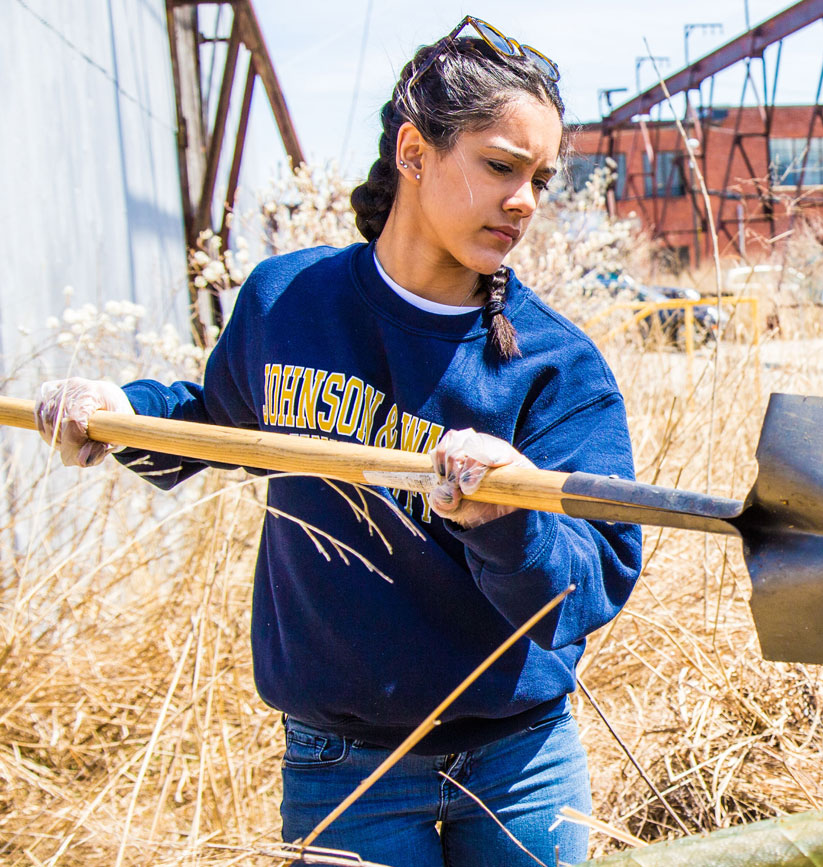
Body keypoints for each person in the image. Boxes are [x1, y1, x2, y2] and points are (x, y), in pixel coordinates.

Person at [34, 18, 641, 867]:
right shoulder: (290, 303)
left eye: (540, 178)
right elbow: (214, 419)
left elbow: (593, 578)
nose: (526, 201)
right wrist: (114, 411)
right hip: (344, 766)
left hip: (519, 762)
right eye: (502, 166)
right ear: (414, 151)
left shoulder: (552, 364)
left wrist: (512, 517)